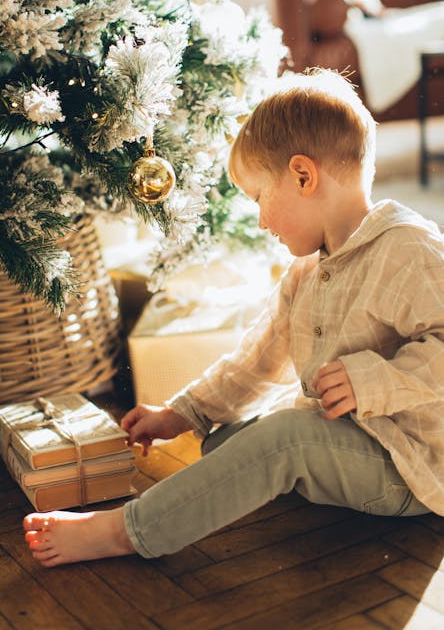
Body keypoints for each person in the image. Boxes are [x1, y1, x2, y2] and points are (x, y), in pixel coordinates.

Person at [23, 68, 444, 566]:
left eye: (259, 199)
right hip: (354, 441)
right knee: (225, 440)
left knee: (283, 438)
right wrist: (182, 413)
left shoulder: (408, 249)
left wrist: (374, 382)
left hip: (413, 467)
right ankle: (270, 468)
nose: (262, 221)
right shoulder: (307, 269)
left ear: (303, 176)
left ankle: (124, 530)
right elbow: (257, 362)